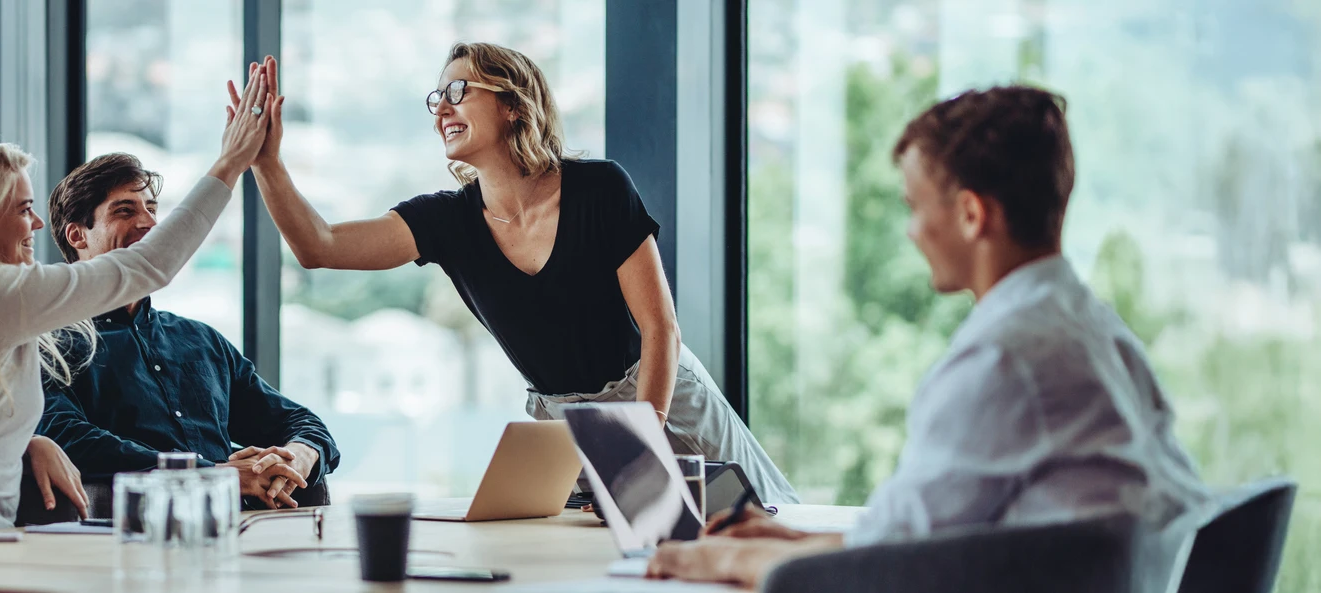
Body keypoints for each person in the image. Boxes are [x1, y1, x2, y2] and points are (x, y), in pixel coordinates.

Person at [642, 86, 1214, 589]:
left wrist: (720, 559)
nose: (912, 232)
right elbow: (914, 538)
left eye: (915, 207)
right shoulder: (1094, 331)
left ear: (971, 215)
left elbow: (885, 567)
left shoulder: (1004, 356)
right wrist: (787, 539)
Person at [236, 44, 798, 503]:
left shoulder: (600, 188)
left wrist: (637, 443)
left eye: (459, 91)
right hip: (567, 425)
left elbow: (660, 329)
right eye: (437, 98)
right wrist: (267, 162)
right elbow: (319, 246)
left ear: (512, 103)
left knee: (763, 525)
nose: (441, 109)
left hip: (660, 395)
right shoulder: (446, 221)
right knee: (606, 562)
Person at [0, 62, 278, 535]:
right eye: (23, 209)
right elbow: (148, 265)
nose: (36, 224)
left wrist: (27, 442)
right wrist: (230, 163)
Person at [35, 152, 341, 510]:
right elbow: (65, 437)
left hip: (241, 526)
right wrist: (211, 474)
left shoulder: (201, 340)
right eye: (125, 210)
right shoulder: (49, 344)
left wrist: (299, 455)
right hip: (132, 528)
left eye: (151, 208)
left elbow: (299, 421)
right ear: (77, 235)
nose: (149, 223)